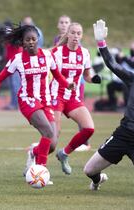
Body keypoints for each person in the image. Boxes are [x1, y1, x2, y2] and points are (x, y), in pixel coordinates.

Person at [0, 24, 74, 175]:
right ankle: (40, 172)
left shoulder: (47, 56)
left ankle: (33, 153)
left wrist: (67, 84)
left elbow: (57, 75)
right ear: (22, 42)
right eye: (27, 40)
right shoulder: (18, 59)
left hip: (45, 102)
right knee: (48, 132)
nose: (30, 42)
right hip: (27, 100)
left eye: (33, 39)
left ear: (38, 40)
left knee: (52, 144)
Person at [83, 19, 134, 190]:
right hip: (123, 134)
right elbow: (112, 64)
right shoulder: (132, 78)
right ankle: (97, 181)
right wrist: (101, 42)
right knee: (89, 170)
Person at [50, 22, 102, 175]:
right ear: (68, 35)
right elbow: (51, 73)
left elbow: (86, 76)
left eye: (79, 33)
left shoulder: (85, 53)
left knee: (89, 129)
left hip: (73, 97)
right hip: (56, 96)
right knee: (54, 134)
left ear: (81, 36)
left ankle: (64, 154)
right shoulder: (58, 52)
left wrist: (94, 79)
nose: (76, 36)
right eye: (73, 33)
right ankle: (35, 160)